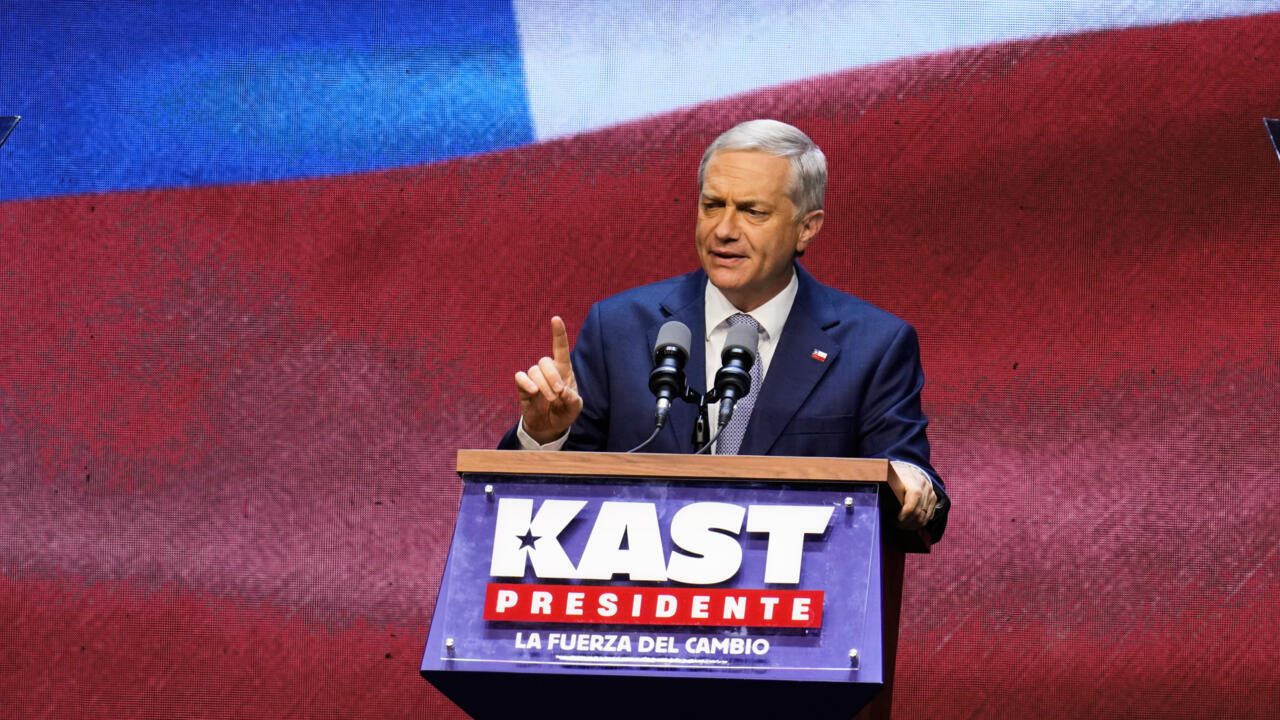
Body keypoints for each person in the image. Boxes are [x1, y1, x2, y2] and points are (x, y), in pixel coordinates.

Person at [501, 119, 949, 541]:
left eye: (753, 211)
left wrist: (911, 483)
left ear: (806, 229)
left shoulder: (873, 346)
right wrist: (543, 435)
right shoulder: (618, 328)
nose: (724, 230)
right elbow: (540, 502)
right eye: (712, 206)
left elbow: (909, 478)